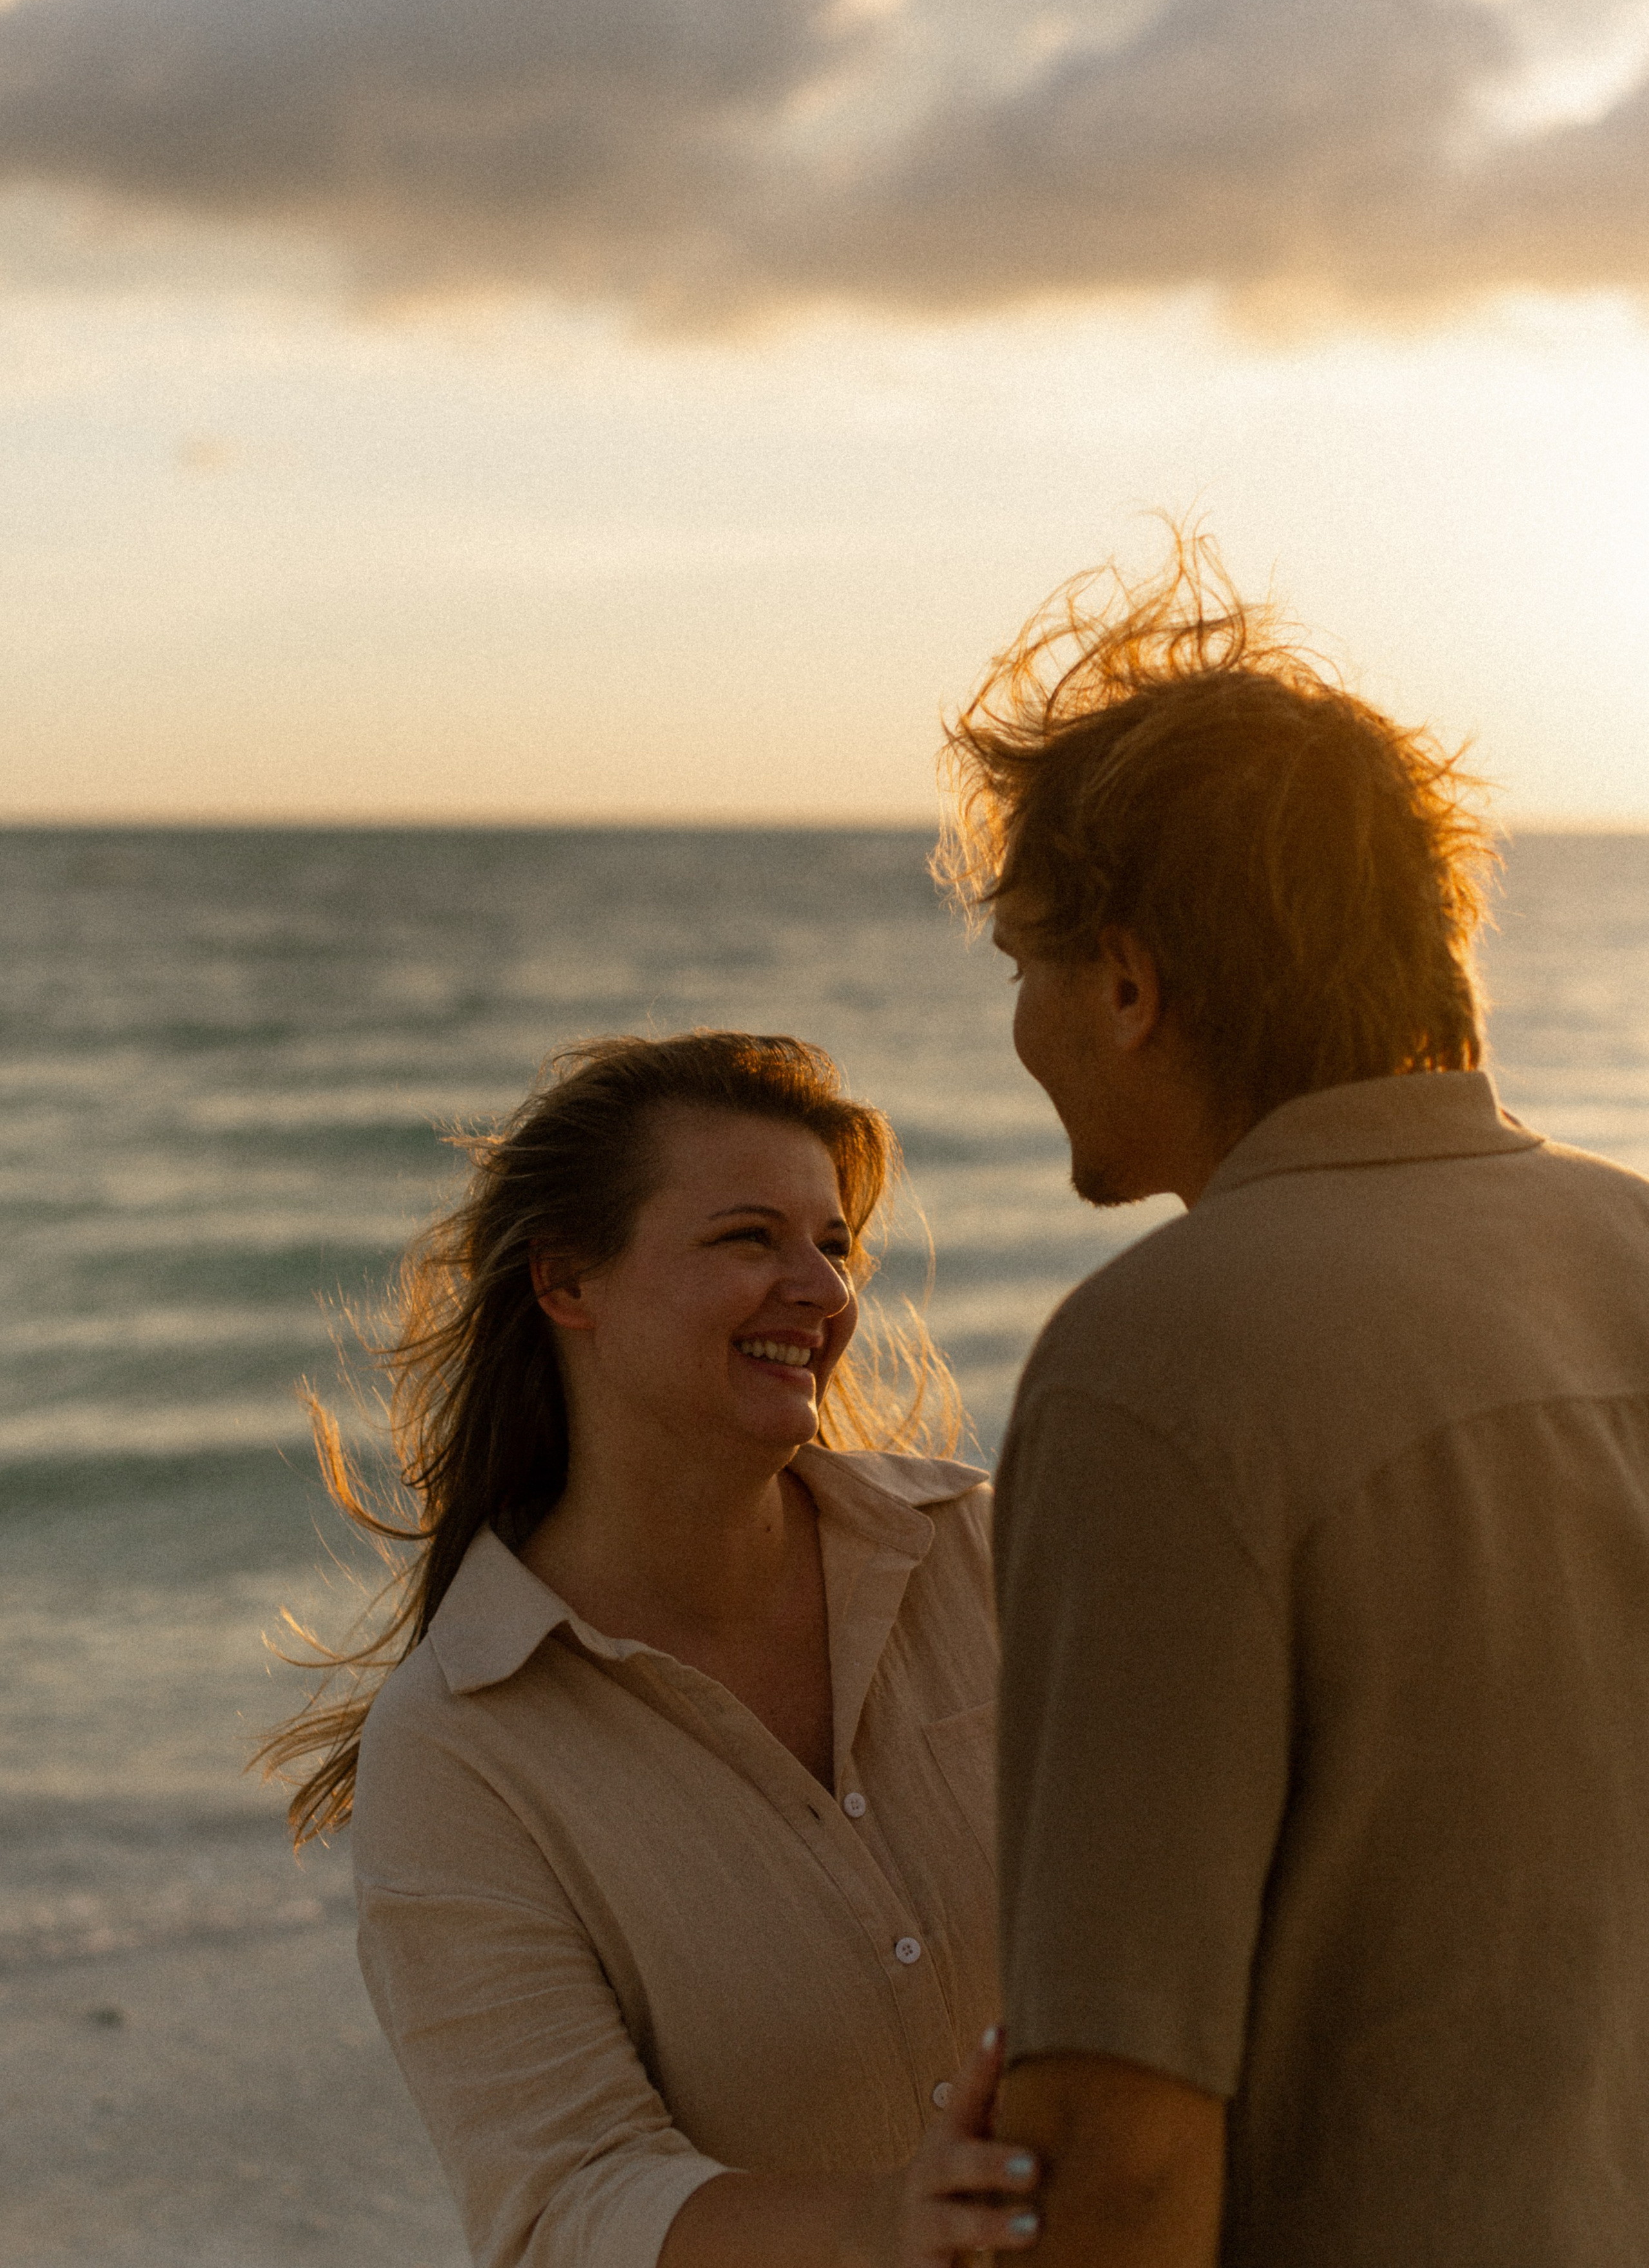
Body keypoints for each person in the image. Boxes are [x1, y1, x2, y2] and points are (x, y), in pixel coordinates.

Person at [940, 534, 1649, 2267]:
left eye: (1024, 966)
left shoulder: (1157, 1363)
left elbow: (1117, 2151)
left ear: (1127, 984)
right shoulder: (1630, 1246)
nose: (1020, 1027)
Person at [260, 1030, 1041, 2268]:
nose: (824, 1290)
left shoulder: (983, 1555)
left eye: (834, 1245)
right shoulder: (463, 1746)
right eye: (750, 1239)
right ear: (568, 1282)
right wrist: (882, 2227)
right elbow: (566, 2203)